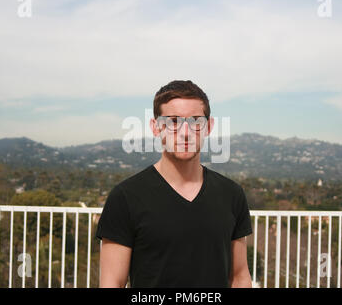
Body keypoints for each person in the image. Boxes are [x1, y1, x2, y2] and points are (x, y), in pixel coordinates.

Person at [96, 80, 253, 288]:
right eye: (173, 121)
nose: (185, 132)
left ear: (209, 126)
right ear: (156, 127)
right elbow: (112, 283)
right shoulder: (125, 198)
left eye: (196, 120)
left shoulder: (232, 195)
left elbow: (240, 277)